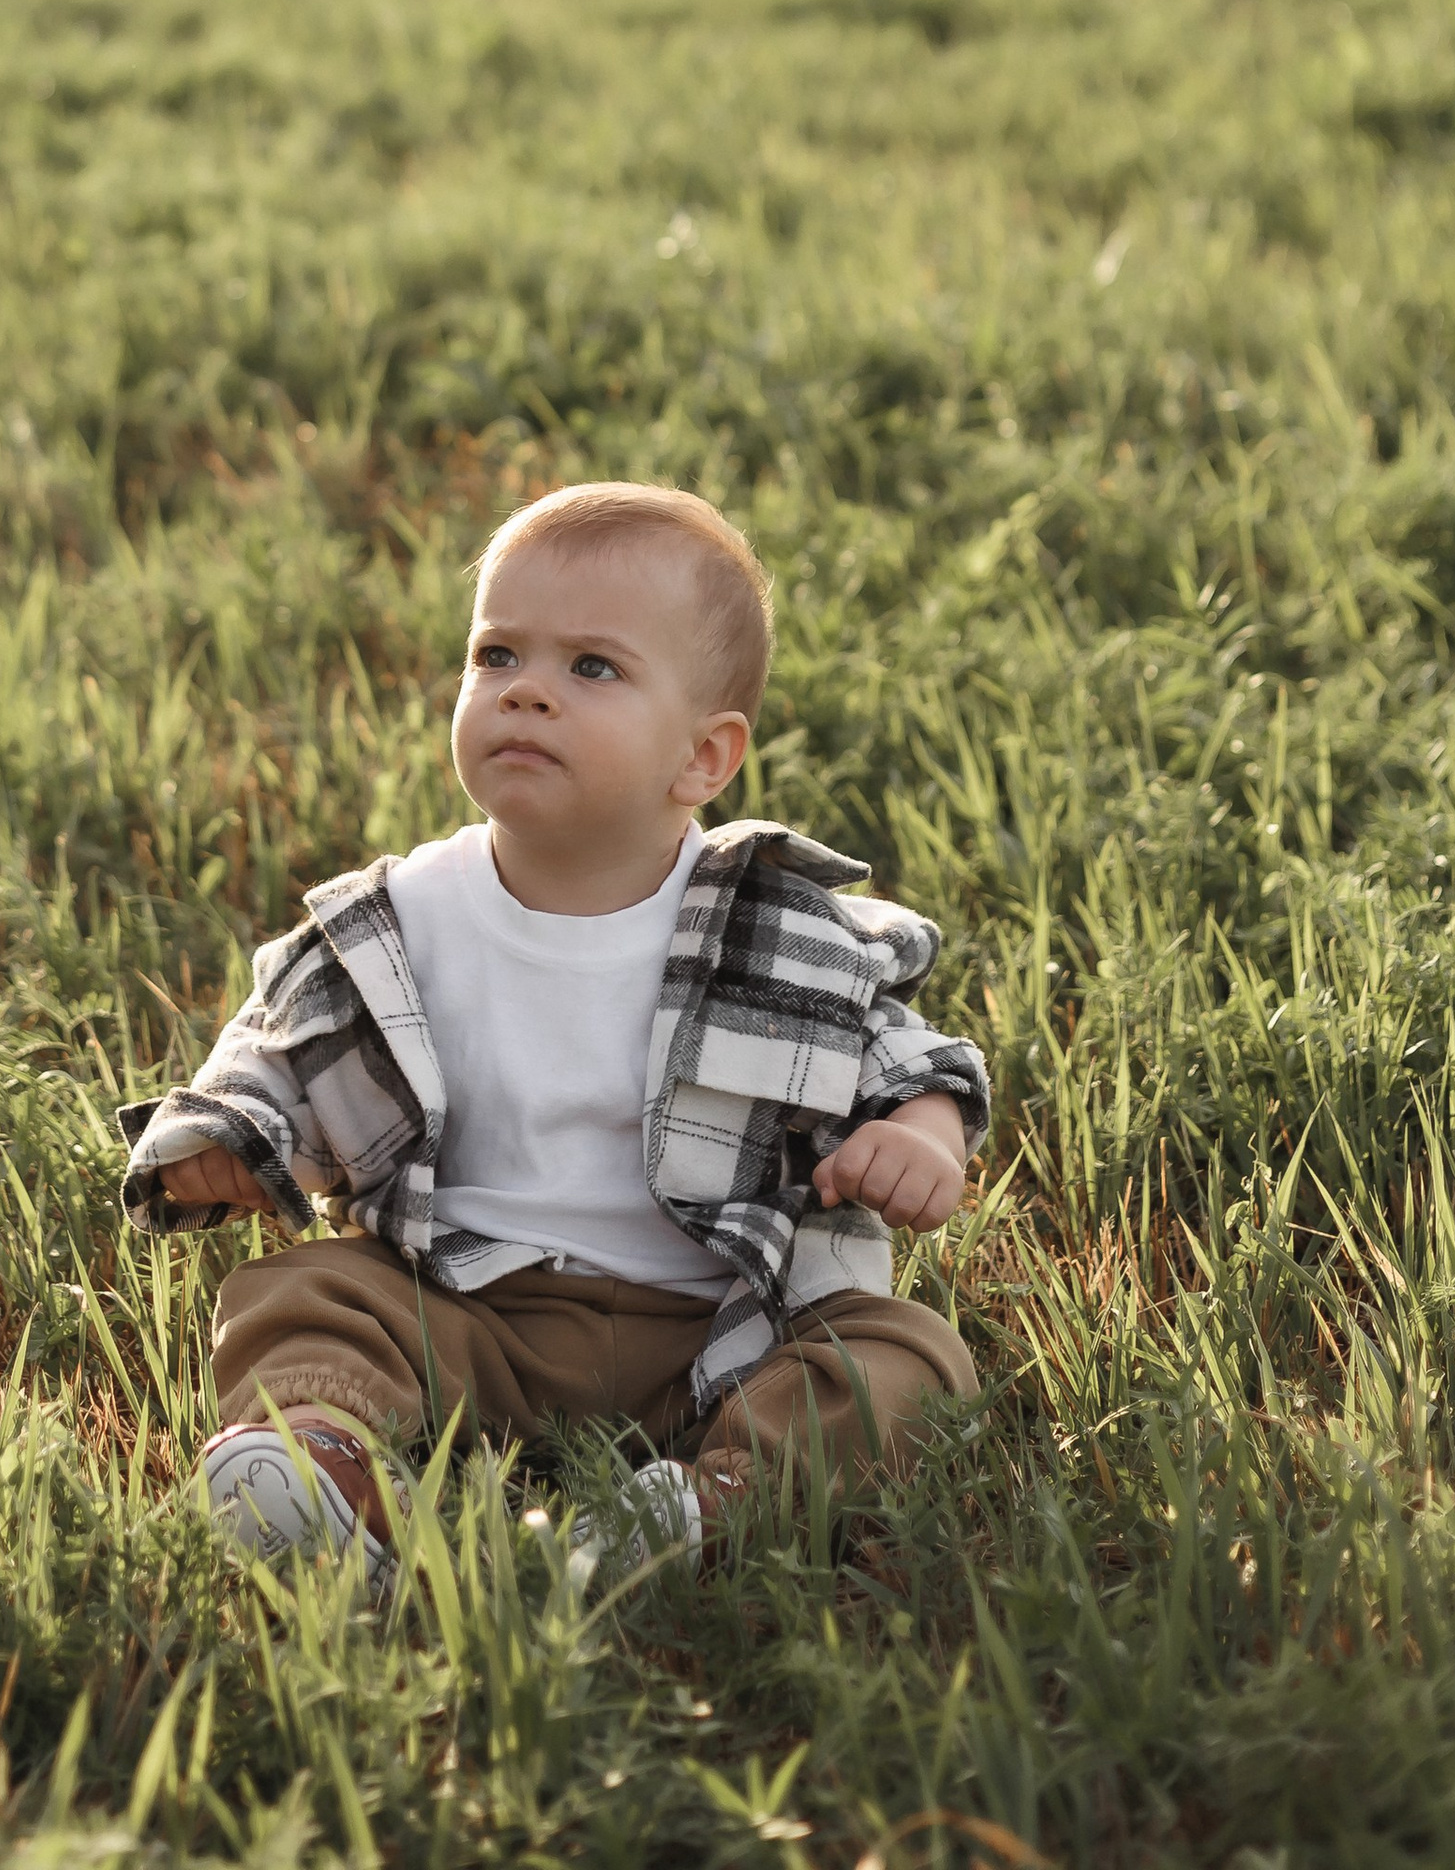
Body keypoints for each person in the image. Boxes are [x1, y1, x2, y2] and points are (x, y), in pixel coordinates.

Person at [115, 480, 987, 1570]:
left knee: (907, 1358)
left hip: (720, 1327)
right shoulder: (401, 921)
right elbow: (279, 1053)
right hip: (461, 1307)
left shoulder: (774, 928)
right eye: (496, 656)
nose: (526, 692)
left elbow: (906, 1055)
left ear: (703, 759)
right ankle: (320, 1461)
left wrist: (920, 1136)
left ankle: (712, 1500)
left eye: (592, 668)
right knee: (300, 1293)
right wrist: (229, 1142)